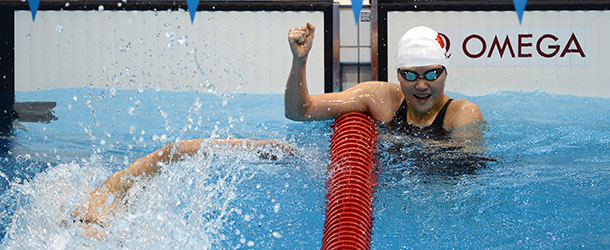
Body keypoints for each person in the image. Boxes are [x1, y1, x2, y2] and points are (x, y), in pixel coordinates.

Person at [285, 23, 483, 139]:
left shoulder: (462, 114)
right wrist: (299, 61)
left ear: (445, 73)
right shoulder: (379, 99)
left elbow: (463, 172)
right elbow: (299, 111)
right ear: (398, 74)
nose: (421, 86)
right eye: (410, 75)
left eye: (432, 74)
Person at [72, 138, 295, 240]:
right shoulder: (110, 192)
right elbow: (173, 151)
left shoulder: (112, 192)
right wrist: (252, 147)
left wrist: (251, 148)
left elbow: (173, 151)